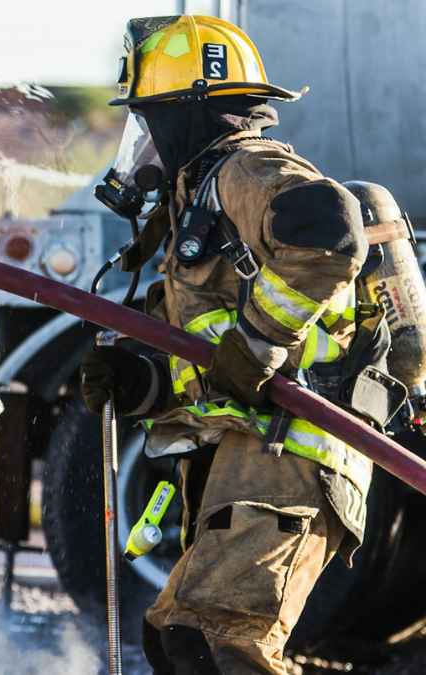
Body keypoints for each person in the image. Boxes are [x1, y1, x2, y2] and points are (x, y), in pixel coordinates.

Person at [81, 15, 394, 674]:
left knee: (223, 645)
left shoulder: (247, 167)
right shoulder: (198, 200)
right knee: (180, 639)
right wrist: (138, 378)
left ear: (190, 116)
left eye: (151, 121)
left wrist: (254, 343)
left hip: (295, 444)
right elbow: (207, 356)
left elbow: (330, 231)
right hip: (249, 451)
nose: (145, 144)